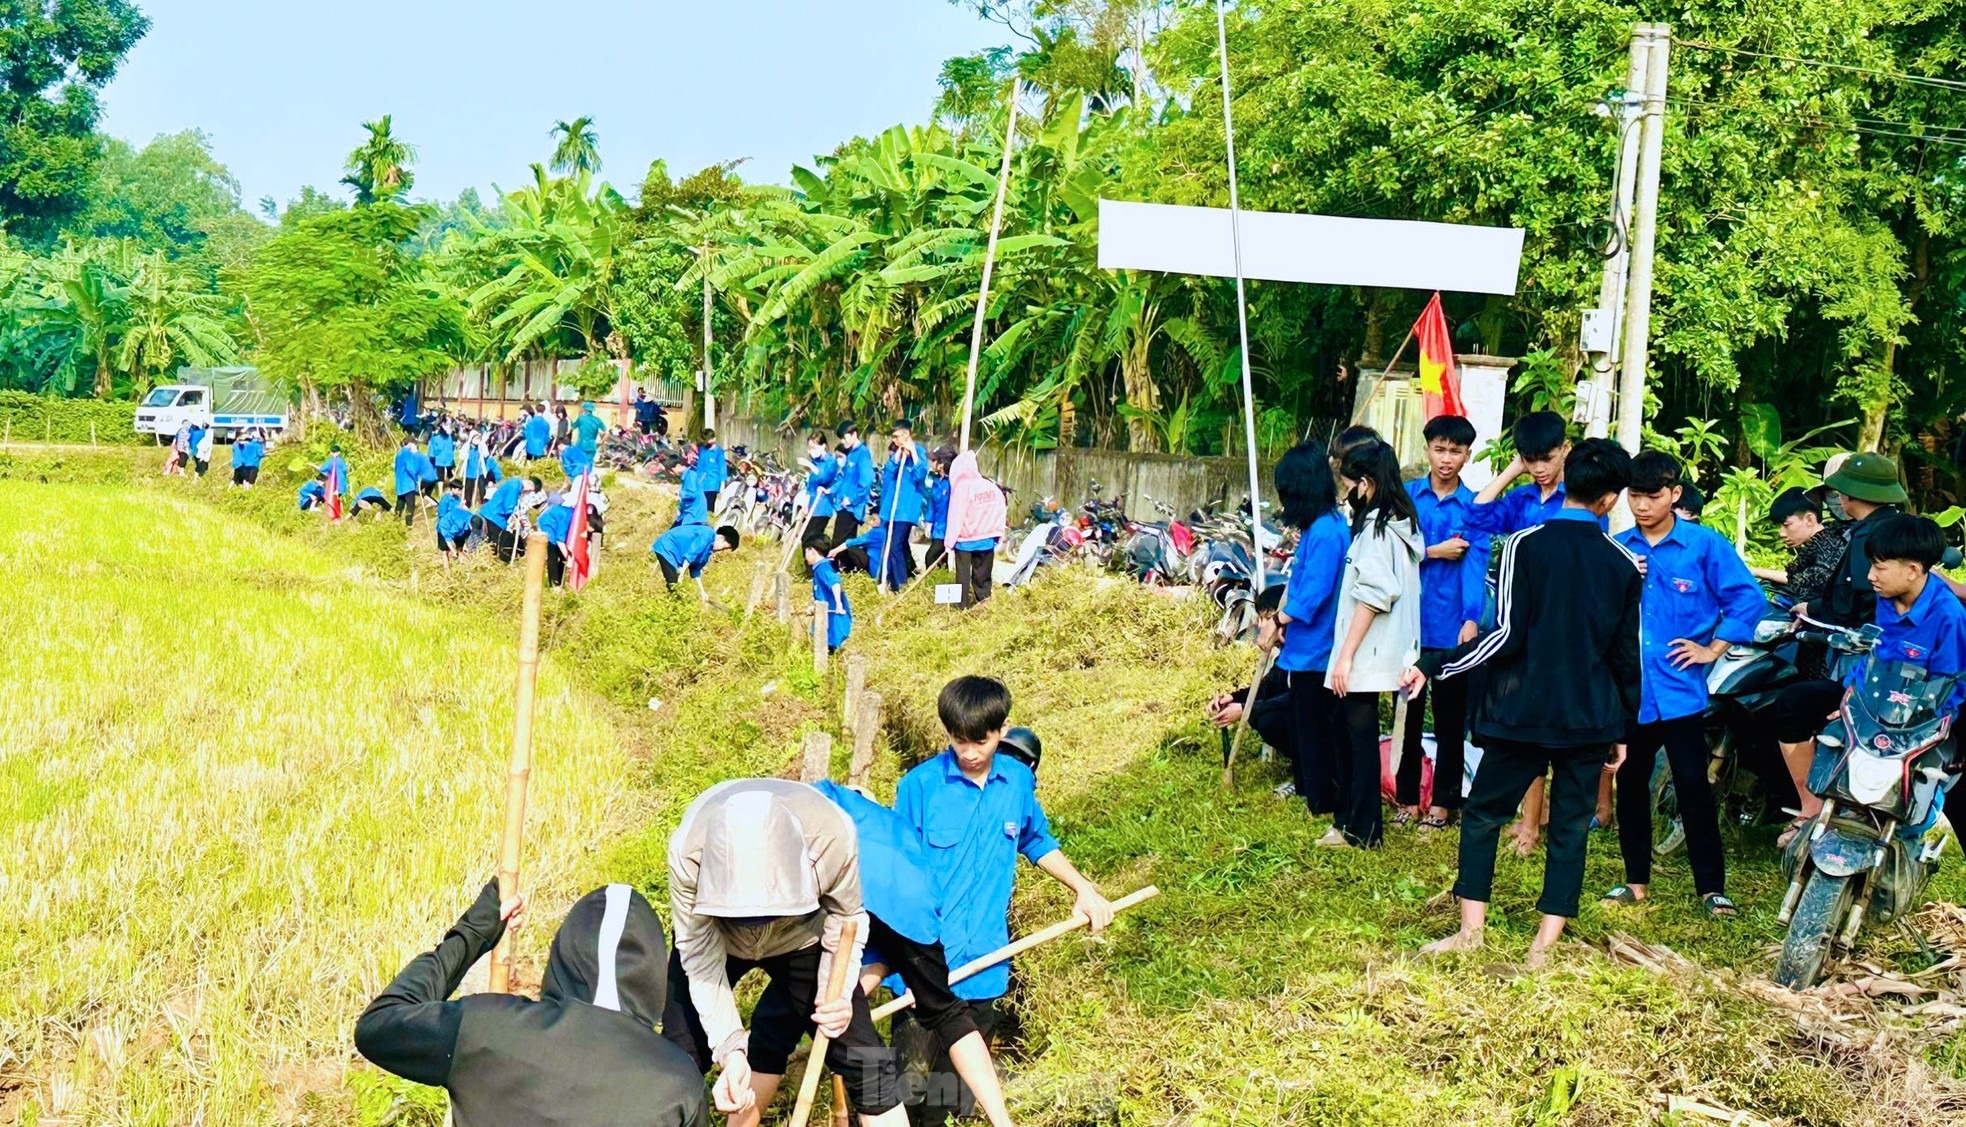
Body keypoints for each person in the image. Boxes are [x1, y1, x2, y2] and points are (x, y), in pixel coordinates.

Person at [1420, 438, 1642, 968]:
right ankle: (1544, 946)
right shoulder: (1625, 564)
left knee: (1483, 817)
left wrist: (1440, 666)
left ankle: (1471, 931)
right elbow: (1624, 654)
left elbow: (1509, 634)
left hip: (1521, 711)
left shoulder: (1524, 545)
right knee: (1569, 827)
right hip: (1590, 716)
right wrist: (1623, 730)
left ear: (1568, 477)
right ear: (1611, 499)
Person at [893, 677, 1115, 1126]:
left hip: (986, 965)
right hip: (923, 972)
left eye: (981, 739)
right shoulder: (919, 787)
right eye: (959, 740)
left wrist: (1084, 889)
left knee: (957, 1097)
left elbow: (1036, 840)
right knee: (912, 1093)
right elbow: (897, 878)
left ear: (1002, 729)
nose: (970, 751)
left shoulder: (1015, 782)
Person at [354, 880, 706, 1127]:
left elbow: (378, 1025)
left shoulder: (487, 1028)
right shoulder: (677, 1080)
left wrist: (476, 931)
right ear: (654, 974)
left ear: (562, 957)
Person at [662, 779, 908, 1127]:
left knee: (866, 1059)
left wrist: (833, 996)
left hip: (803, 936)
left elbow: (847, 917)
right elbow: (698, 954)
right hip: (717, 938)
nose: (754, 924)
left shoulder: (832, 838)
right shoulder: (689, 852)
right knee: (677, 1055)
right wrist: (731, 1051)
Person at [1600, 451, 1766, 919]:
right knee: (1630, 781)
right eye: (1634, 496)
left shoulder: (1703, 546)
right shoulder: (1618, 546)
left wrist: (1713, 649)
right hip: (1632, 689)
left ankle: (1712, 888)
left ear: (1674, 495)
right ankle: (1634, 882)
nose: (1642, 505)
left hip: (1680, 690)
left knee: (1692, 784)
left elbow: (1747, 599)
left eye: (1652, 496)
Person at [804, 781, 1015, 1127]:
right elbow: (879, 958)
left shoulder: (824, 804)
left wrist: (838, 1007)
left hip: (863, 897)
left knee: (875, 1061)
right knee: (947, 1015)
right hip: (913, 911)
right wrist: (842, 1005)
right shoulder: (893, 829)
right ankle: (1003, 1122)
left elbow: (864, 960)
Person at [1770, 512, 1966, 841]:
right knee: (1795, 703)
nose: (1871, 576)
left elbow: (1951, 684)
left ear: (1913, 570)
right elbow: (1874, 656)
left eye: (1879, 567)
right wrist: (1850, 701)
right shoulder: (1886, 600)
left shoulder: (1949, 616)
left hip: (1928, 712)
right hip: (1878, 700)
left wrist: (1921, 726)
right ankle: (1812, 808)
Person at [1773, 454, 1910, 834]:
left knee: (1796, 707)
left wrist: (1813, 609)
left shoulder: (1870, 535)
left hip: (1873, 662)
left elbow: (1852, 602)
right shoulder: (1887, 528)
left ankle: (1811, 806)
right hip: (1880, 663)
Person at [1323, 439, 1423, 849]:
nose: (1345, 494)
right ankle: (1349, 821)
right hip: (1379, 649)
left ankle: (1363, 830)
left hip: (1367, 652)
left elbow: (1375, 593)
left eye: (1348, 484)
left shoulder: (1379, 531)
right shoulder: (1398, 523)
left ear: (1364, 484)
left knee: (1358, 742)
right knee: (1352, 737)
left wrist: (1345, 656)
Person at [1397, 415, 1486, 829]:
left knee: (1450, 719)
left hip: (1452, 626)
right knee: (1408, 716)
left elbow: (1476, 566)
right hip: (1408, 624)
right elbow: (1391, 553)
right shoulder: (1406, 497)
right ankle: (1406, 797)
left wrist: (1471, 619)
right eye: (1439, 448)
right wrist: (1433, 551)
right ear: (1427, 448)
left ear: (1467, 455)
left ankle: (1444, 802)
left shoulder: (1475, 507)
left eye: (1455, 451)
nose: (1446, 459)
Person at [1273, 440, 1350, 816]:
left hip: (1319, 649)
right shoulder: (1321, 526)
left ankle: (1321, 797)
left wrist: (1278, 619)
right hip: (1305, 646)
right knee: (1303, 723)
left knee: (1317, 727)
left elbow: (1315, 592)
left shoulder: (1327, 531)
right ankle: (1308, 787)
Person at [1207, 584, 1293, 767]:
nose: (1262, 626)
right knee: (1262, 715)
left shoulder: (1306, 655)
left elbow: (1295, 698)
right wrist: (1233, 698)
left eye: (1269, 619)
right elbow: (1268, 687)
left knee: (1268, 720)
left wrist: (1247, 709)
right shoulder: (1285, 654)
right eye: (1261, 619)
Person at [1466, 410, 1576, 536]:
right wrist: (1512, 470)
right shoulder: (1520, 498)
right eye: (1530, 460)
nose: (1539, 468)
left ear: (1565, 449)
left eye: (1547, 458)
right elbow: (1474, 517)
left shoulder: (1580, 498)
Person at [942, 451, 1005, 608]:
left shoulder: (962, 488)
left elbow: (956, 517)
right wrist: (998, 535)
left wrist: (949, 542)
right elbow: (1001, 510)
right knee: (982, 576)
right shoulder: (990, 486)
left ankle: (961, 606)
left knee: (962, 577)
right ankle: (984, 604)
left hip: (965, 542)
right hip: (987, 541)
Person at [874, 421, 929, 592]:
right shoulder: (897, 454)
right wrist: (897, 457)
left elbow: (921, 474)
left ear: (906, 435)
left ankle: (901, 584)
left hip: (905, 510)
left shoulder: (918, 452)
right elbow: (888, 473)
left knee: (895, 545)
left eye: (897, 436)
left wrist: (912, 453)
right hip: (892, 507)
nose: (895, 440)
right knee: (894, 544)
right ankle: (893, 578)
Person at [652, 523, 740, 594]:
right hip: (667, 547)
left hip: (673, 554)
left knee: (674, 587)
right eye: (724, 548)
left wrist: (702, 592)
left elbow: (695, 570)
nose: (721, 551)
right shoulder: (708, 534)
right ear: (721, 538)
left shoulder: (709, 550)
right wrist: (681, 573)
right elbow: (692, 552)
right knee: (674, 586)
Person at [835, 422, 876, 548]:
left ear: (854, 434)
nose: (842, 441)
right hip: (844, 506)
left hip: (852, 507)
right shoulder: (851, 453)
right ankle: (847, 568)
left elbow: (867, 480)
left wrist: (852, 499)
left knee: (838, 544)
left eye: (844, 437)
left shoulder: (863, 453)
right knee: (846, 546)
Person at [809, 537, 852, 650]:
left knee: (827, 648)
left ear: (812, 551)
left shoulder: (823, 568)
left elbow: (835, 583)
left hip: (832, 620)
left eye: (806, 552)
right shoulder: (820, 568)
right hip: (825, 616)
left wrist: (838, 604)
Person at [923, 448, 955, 572]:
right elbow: (932, 503)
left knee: (930, 557)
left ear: (942, 464)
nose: (932, 463)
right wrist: (928, 521)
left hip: (946, 530)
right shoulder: (937, 482)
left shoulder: (952, 483)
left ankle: (932, 582)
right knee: (941, 561)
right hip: (937, 529)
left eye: (935, 460)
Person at [436, 480, 473, 566]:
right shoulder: (445, 500)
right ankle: (446, 570)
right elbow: (442, 515)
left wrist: (463, 506)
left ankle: (460, 566)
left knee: (459, 548)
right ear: (452, 489)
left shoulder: (458, 499)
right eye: (458, 489)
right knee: (445, 550)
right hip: (446, 527)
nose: (459, 492)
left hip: (458, 527)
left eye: (460, 490)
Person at [463, 428, 501, 509]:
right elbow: (462, 456)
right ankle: (468, 504)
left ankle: (484, 503)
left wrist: (482, 444)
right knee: (468, 489)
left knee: (482, 487)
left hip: (479, 471)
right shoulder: (467, 447)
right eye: (475, 438)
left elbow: (486, 454)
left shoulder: (480, 446)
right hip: (469, 472)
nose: (477, 440)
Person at [393, 437, 426, 527]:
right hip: (408, 483)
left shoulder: (399, 453)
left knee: (400, 503)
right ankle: (408, 524)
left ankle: (396, 521)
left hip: (400, 483)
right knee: (410, 504)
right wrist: (416, 478)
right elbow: (411, 468)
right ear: (411, 444)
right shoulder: (408, 453)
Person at [696, 429, 728, 518]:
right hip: (701, 483)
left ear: (714, 439)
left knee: (709, 508)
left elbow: (722, 468)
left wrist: (722, 483)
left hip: (712, 484)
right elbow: (699, 467)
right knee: (700, 506)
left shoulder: (718, 452)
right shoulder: (702, 450)